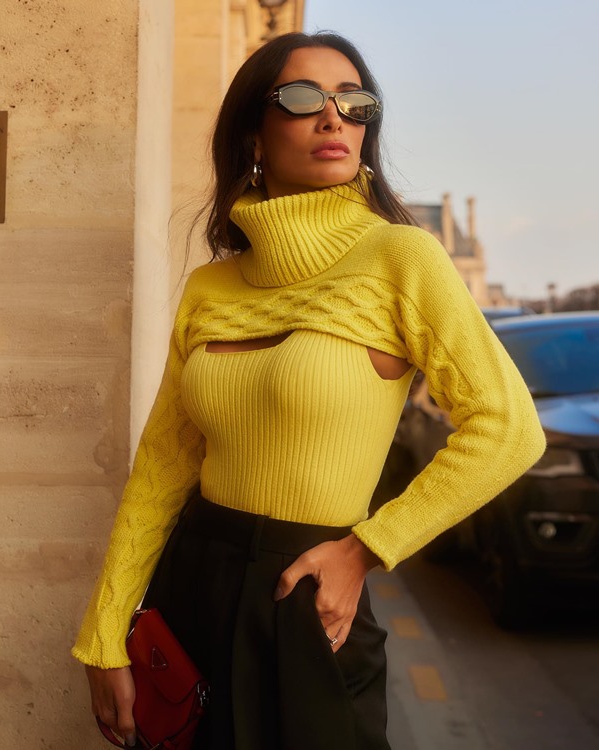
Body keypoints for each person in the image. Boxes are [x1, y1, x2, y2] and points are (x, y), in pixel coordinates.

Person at [73, 31, 546, 750]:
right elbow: (165, 464)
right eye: (301, 99)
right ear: (253, 135)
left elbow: (508, 429)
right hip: (191, 584)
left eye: (354, 103)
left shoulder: (400, 256)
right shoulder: (211, 286)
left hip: (310, 595)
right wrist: (105, 633)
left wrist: (366, 549)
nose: (334, 118)